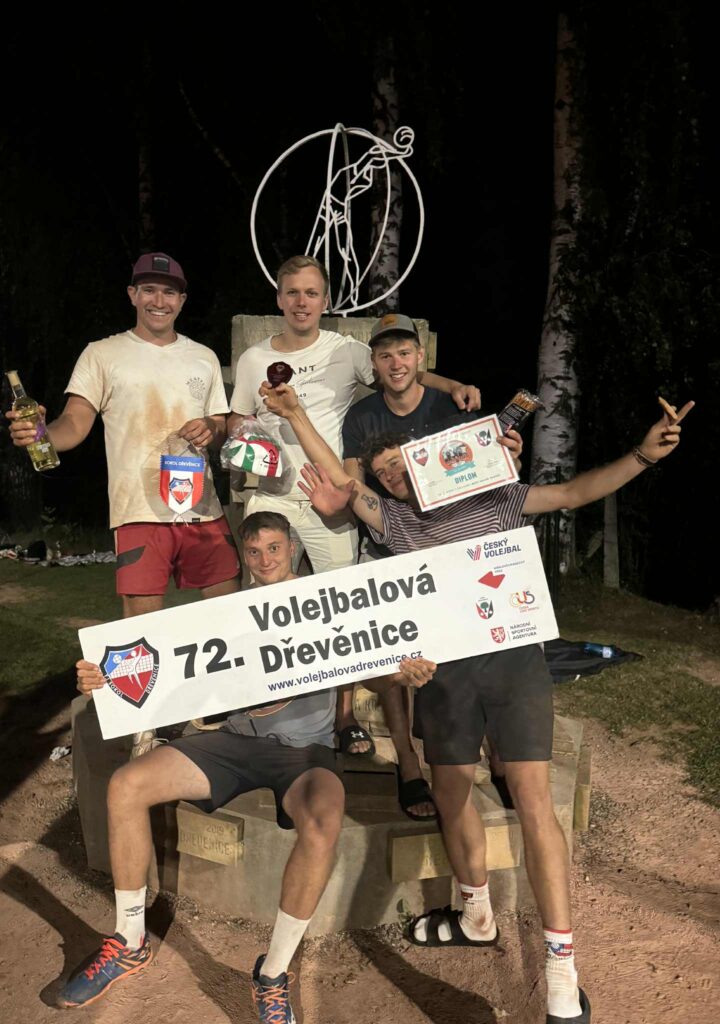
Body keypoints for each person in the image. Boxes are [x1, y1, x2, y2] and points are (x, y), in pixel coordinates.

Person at [260, 379, 693, 1024]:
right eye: (384, 474)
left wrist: (641, 456)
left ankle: (561, 972)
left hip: (515, 661)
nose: (395, 477)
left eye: (402, 464)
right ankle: (476, 913)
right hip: (443, 674)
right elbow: (340, 478)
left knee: (534, 801)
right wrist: (295, 413)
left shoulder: (498, 497)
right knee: (452, 793)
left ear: (426, 460)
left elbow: (574, 493)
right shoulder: (398, 524)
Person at [59, 510, 434, 1021]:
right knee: (127, 785)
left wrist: (399, 676)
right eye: (254, 551)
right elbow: (165, 669)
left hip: (304, 753)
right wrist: (103, 677)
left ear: (293, 548)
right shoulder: (227, 611)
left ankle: (273, 973)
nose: (264, 560)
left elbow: (371, 674)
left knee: (323, 823)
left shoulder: (325, 603)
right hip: (233, 743)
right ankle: (129, 940)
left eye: (274, 548)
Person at [229, 255, 480, 755]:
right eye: (292, 293)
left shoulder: (346, 351)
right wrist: (246, 438)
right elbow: (237, 420)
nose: (302, 302)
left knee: (340, 609)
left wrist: (454, 386)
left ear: (325, 301)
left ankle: (342, 718)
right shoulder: (254, 358)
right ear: (279, 298)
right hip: (271, 493)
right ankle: (259, 707)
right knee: (262, 606)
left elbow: (401, 375)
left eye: (311, 293)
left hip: (332, 496)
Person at [342, 313, 524, 819]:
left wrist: (512, 456)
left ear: (420, 357)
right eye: (385, 355)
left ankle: (498, 757)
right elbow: (351, 482)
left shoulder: (452, 405)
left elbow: (484, 469)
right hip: (389, 542)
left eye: (404, 352)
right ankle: (408, 765)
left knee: (478, 646)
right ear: (374, 363)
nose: (396, 363)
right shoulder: (361, 417)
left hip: (451, 547)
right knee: (395, 656)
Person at [7, 252, 241, 622]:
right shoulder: (101, 354)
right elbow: (74, 423)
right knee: (141, 629)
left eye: (169, 292)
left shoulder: (204, 357)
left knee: (230, 616)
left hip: (201, 507)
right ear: (132, 294)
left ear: (182, 300)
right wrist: (40, 434)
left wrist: (211, 428)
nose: (159, 301)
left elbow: (219, 425)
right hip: (137, 511)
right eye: (149, 290)